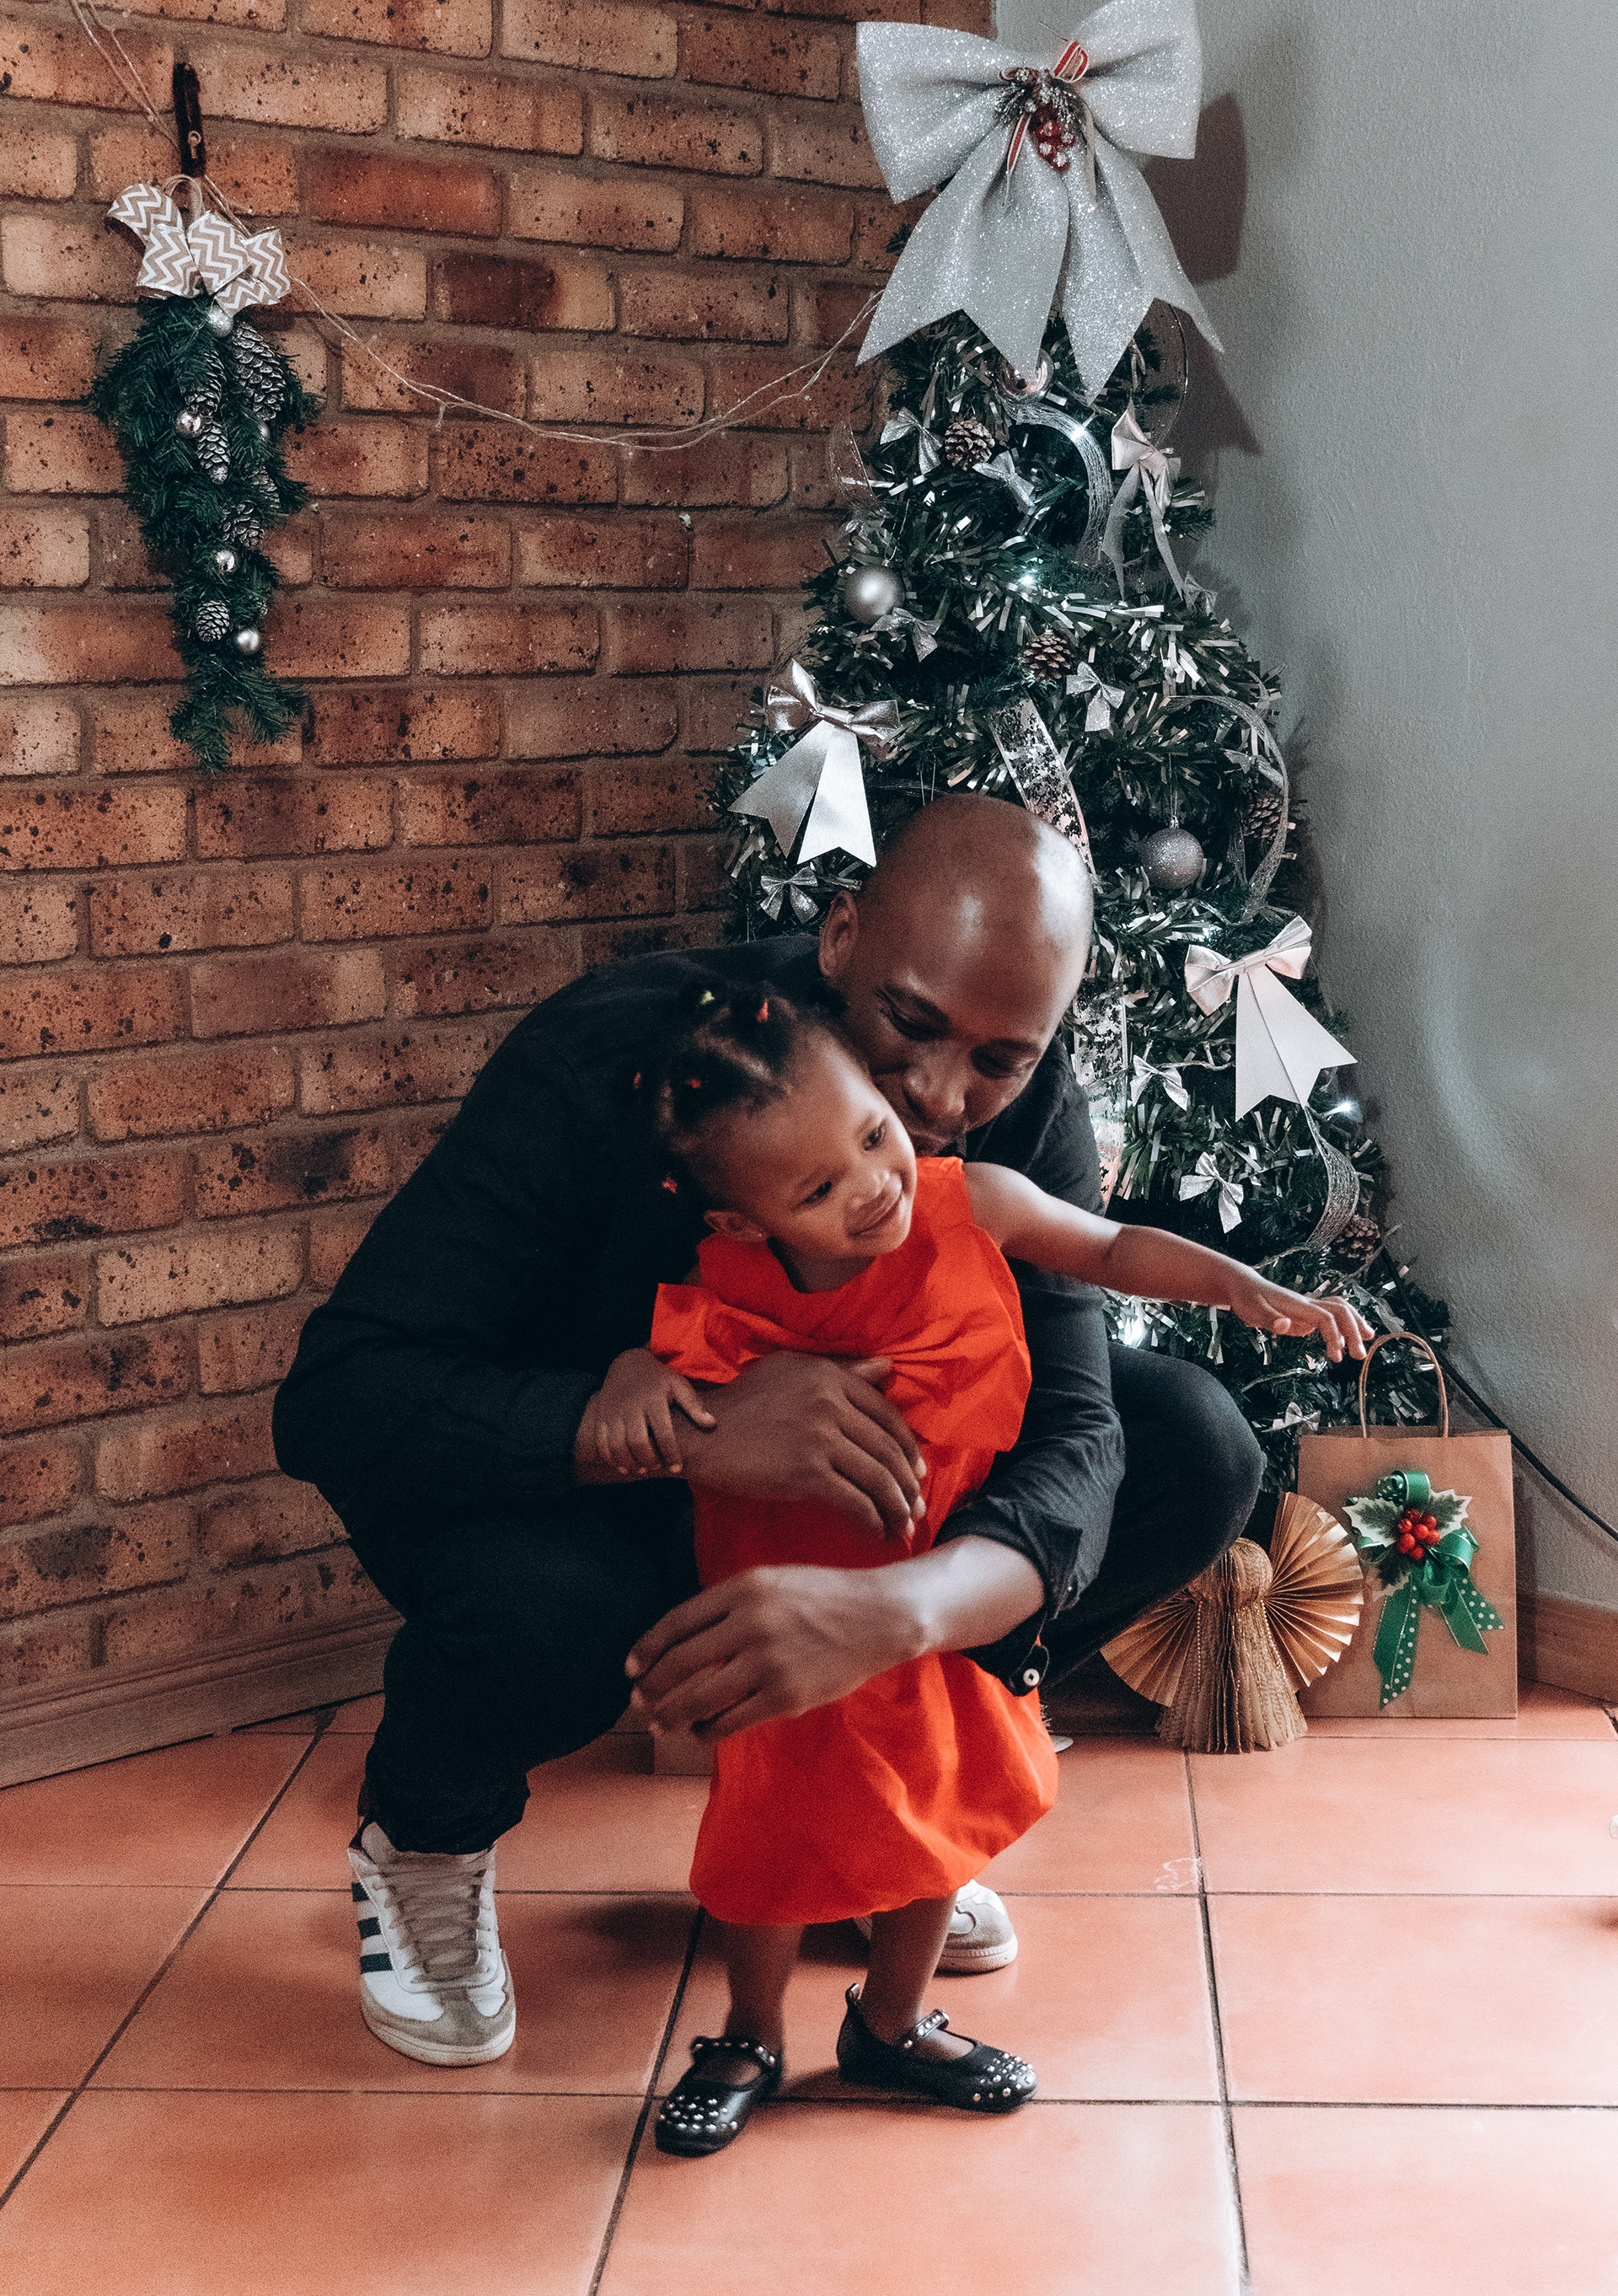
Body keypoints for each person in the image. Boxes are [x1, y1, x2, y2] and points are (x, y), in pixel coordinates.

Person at [272, 795, 1273, 2068]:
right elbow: (341, 1394)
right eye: (910, 1026)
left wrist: (905, 1611)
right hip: (595, 1500)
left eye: (1000, 1058)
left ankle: (875, 1809)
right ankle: (422, 1837)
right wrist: (683, 1435)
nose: (940, 1098)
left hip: (857, 1525)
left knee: (1193, 1445)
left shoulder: (1019, 1105)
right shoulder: (611, 1057)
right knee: (553, 1605)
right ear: (842, 938)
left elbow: (1078, 1424)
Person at [589, 980, 1368, 2154]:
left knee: (943, 1819)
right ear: (744, 1223)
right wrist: (631, 1378)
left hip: (946, 1594)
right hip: (791, 1622)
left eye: (873, 1135)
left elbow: (1108, 1247)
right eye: (818, 1189)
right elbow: (653, 1385)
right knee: (770, 1836)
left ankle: (891, 2026)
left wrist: (1240, 1285)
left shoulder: (973, 1204)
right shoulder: (724, 1287)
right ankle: (750, 2034)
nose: (875, 1186)